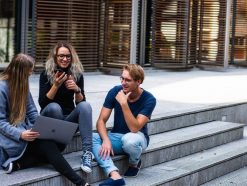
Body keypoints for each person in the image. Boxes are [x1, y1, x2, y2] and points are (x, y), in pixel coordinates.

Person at [0, 53, 90, 186]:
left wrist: (40, 127)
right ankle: (80, 183)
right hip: (12, 138)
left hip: (26, 132)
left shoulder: (23, 85)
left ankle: (19, 164)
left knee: (56, 145)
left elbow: (32, 112)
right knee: (48, 146)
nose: (31, 73)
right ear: (20, 71)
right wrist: (21, 134)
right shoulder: (2, 88)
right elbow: (1, 122)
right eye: (29, 70)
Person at [92, 64, 156, 186]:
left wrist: (124, 103)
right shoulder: (115, 91)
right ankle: (114, 174)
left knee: (130, 140)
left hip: (137, 137)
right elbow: (101, 121)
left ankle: (134, 163)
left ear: (138, 81)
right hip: (116, 137)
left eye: (128, 80)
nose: (123, 82)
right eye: (122, 78)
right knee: (91, 137)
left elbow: (135, 128)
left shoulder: (149, 99)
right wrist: (105, 140)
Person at [38, 41, 93, 173]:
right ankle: (56, 148)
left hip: (68, 121)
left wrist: (77, 90)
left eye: (68, 56)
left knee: (86, 106)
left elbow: (80, 105)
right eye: (61, 56)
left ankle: (87, 153)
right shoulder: (46, 74)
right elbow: (43, 104)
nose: (65, 59)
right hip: (51, 120)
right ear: (55, 57)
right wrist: (55, 85)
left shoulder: (76, 74)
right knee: (54, 107)